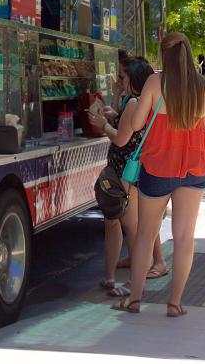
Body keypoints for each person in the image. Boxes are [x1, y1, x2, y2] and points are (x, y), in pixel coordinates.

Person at [111, 32, 205, 317]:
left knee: (145, 234)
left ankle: (135, 299)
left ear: (164, 53)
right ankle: (175, 303)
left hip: (158, 167)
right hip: (194, 167)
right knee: (184, 238)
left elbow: (135, 122)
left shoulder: (156, 82)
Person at [88, 58, 168, 296]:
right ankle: (113, 277)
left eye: (123, 77)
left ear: (133, 79)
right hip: (131, 170)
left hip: (126, 171)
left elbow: (121, 139)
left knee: (130, 227)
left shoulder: (134, 103)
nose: (120, 81)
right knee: (120, 223)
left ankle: (134, 283)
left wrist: (103, 125)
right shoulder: (142, 102)